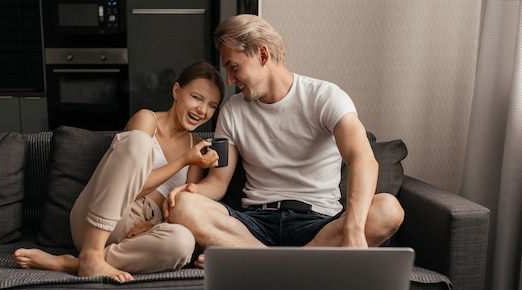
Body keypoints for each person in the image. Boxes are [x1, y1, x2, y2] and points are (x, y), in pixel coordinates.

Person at [166, 15, 405, 268]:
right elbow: (218, 182)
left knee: (388, 209)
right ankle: (289, 265)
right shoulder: (232, 111)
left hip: (318, 225)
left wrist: (354, 229)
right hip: (254, 224)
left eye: (233, 67)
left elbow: (363, 159)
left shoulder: (325, 97)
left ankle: (257, 263)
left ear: (263, 55)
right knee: (183, 205)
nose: (229, 80)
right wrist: (192, 192)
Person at [13, 61, 225, 282]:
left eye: (212, 105)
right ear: (176, 91)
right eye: (197, 97)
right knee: (138, 141)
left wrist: (156, 226)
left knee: (183, 242)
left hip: (141, 235)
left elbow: (181, 207)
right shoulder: (147, 120)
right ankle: (92, 252)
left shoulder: (198, 145)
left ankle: (77, 263)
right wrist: (183, 160)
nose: (202, 110)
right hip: (100, 218)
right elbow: (128, 189)